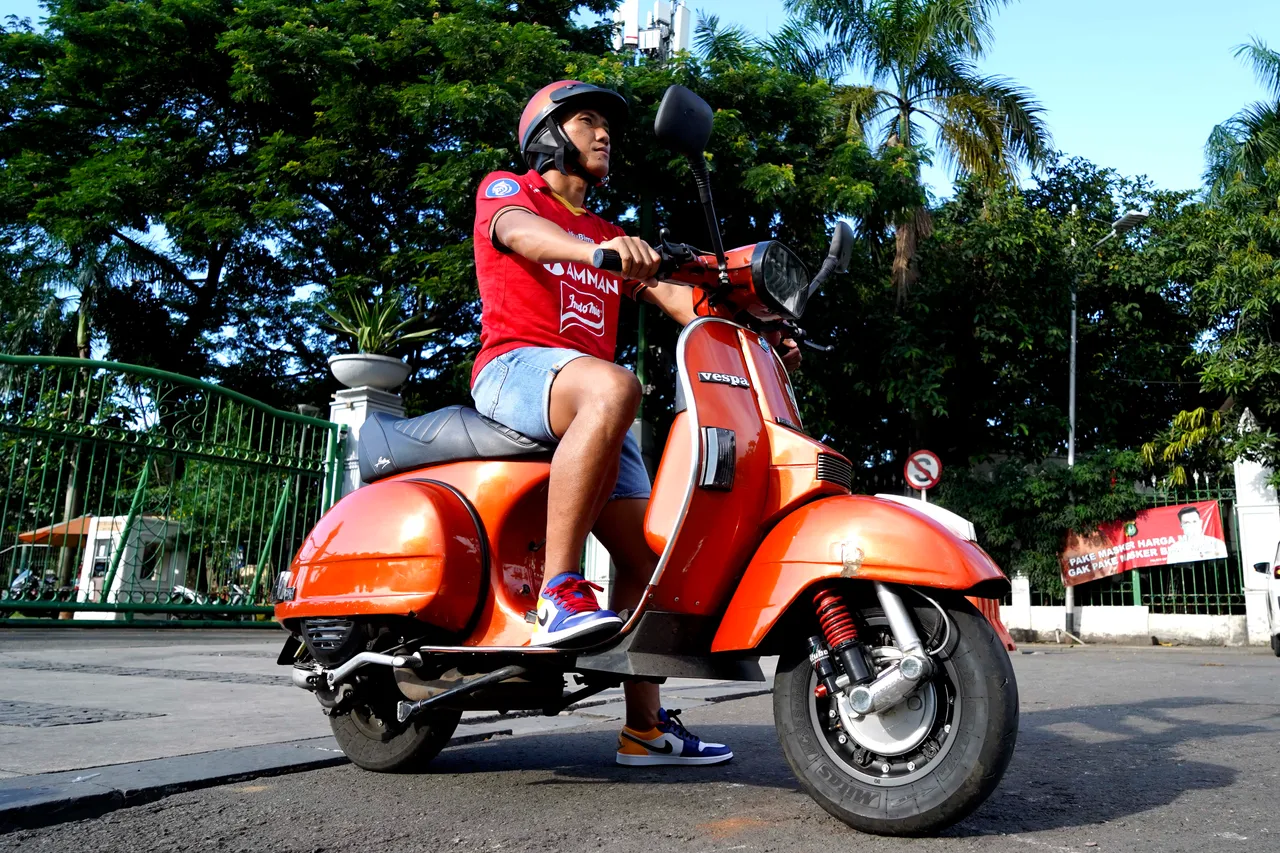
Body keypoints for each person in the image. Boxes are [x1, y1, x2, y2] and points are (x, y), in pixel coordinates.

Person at [470, 80, 798, 766]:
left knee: (651, 555)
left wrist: (759, 330)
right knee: (620, 384)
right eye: (586, 121)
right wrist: (596, 254)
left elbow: (682, 299)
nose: (602, 134)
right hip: (515, 370)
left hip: (591, 402)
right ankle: (560, 591)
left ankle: (644, 728)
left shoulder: (612, 235)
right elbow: (520, 236)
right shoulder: (512, 190)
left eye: (607, 126)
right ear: (548, 137)